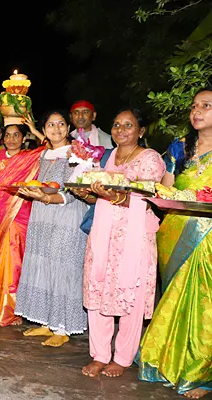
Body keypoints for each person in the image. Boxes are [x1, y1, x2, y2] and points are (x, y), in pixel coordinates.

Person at [137, 87, 212, 399]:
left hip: (207, 235)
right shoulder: (179, 147)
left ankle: (200, 373)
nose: (197, 111)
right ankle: (170, 362)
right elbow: (165, 191)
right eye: (195, 105)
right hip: (173, 231)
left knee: (204, 303)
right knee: (173, 300)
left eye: (206, 106)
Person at [80, 108, 165, 378]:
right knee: (98, 291)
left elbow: (147, 197)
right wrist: (86, 192)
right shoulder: (108, 157)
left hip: (134, 237)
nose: (120, 129)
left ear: (140, 131)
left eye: (128, 125)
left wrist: (111, 196)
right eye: (116, 124)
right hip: (103, 234)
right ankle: (100, 354)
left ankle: (123, 357)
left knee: (132, 296)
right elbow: (102, 195)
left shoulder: (151, 159)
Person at [13, 110, 89, 347]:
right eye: (50, 125)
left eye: (60, 124)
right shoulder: (45, 154)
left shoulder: (78, 152)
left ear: (68, 128)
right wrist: (33, 193)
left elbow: (75, 191)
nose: (56, 128)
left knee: (63, 267)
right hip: (43, 215)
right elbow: (44, 185)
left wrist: (44, 197)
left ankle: (63, 326)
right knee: (44, 265)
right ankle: (47, 321)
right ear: (44, 131)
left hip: (67, 216)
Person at [0, 105, 46, 326]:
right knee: (1, 259)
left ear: (23, 139)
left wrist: (34, 129)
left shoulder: (31, 156)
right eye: (8, 135)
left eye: (17, 135)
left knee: (16, 260)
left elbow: (51, 145)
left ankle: (11, 309)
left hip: (22, 214)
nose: (12, 139)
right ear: (3, 138)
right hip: (0, 214)